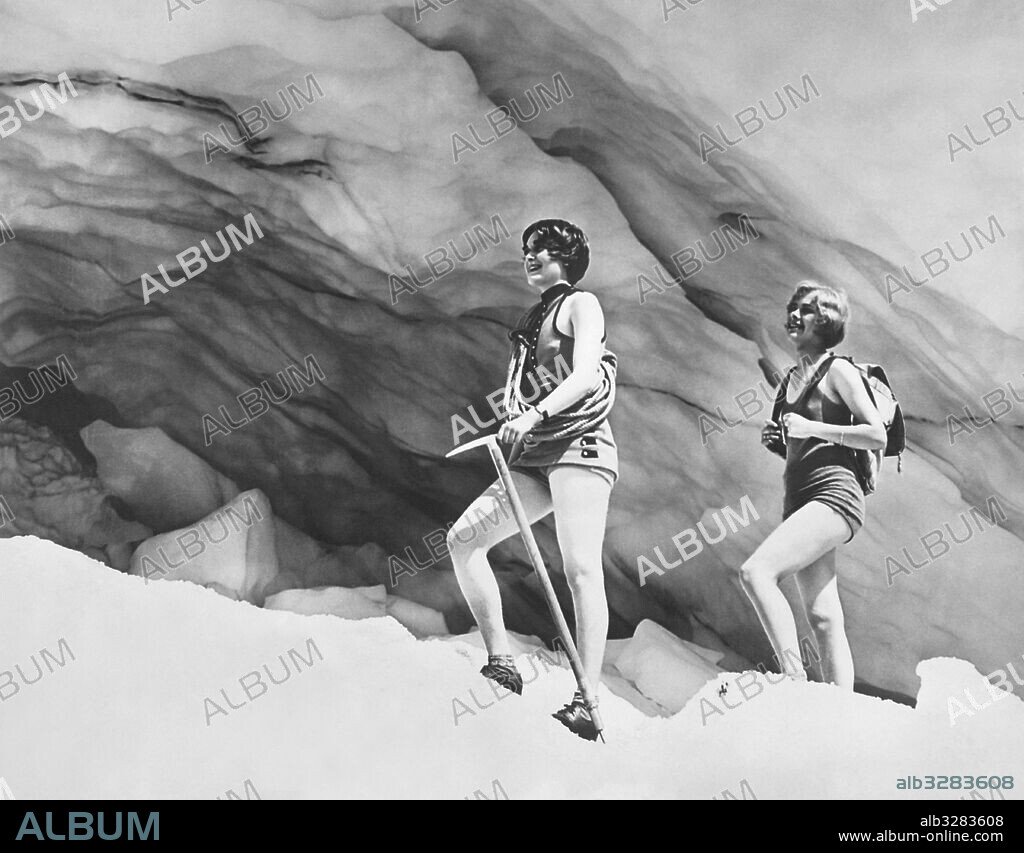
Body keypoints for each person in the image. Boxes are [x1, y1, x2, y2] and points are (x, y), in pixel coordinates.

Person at [446, 219, 618, 741]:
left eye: (543, 247)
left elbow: (586, 372)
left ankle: (585, 699)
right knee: (464, 540)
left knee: (581, 569)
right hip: (536, 453)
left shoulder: (580, 304)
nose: (531, 255)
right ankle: (501, 662)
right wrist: (520, 421)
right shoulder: (532, 320)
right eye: (527, 248)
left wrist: (534, 413)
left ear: (567, 256)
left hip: (579, 445)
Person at [740, 281, 886, 688]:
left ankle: (792, 681)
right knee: (824, 617)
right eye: (793, 307)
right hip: (802, 500)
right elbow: (803, 445)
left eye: (805, 310)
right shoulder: (791, 380)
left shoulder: (837, 370)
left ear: (825, 321)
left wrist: (811, 427)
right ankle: (840, 712)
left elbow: (877, 435)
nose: (794, 315)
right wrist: (780, 443)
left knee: (757, 572)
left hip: (836, 496)